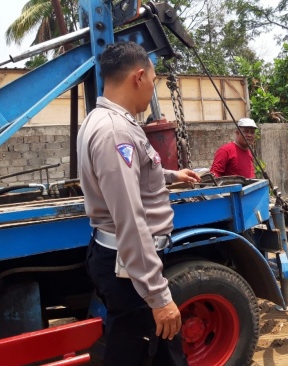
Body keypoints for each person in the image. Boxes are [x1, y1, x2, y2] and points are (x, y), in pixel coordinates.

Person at [77, 42, 200, 366]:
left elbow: (135, 174)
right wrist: (159, 297)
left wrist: (172, 175)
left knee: (141, 346)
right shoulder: (116, 131)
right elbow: (130, 218)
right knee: (151, 347)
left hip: (121, 262)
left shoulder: (103, 119)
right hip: (128, 267)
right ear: (139, 76)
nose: (153, 87)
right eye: (155, 80)